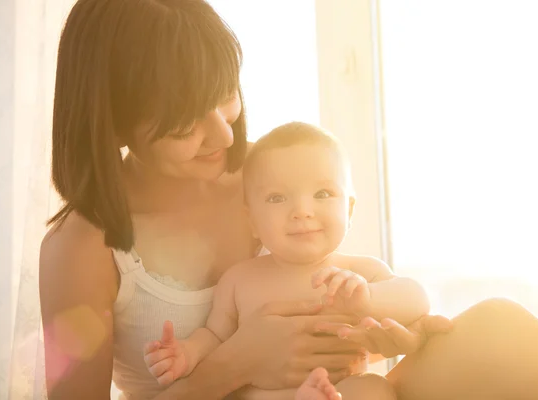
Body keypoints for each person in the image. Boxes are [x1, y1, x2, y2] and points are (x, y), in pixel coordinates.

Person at [39, 0, 538, 399]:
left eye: (224, 98)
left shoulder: (266, 177)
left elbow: (339, 288)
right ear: (113, 124)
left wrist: (390, 333)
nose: (224, 137)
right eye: (185, 124)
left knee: (497, 329)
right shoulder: (84, 247)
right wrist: (235, 364)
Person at [143, 122, 431, 400]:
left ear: (350, 210)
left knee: (371, 389)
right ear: (252, 221)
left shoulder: (359, 274)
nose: (302, 211)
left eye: (322, 194)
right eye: (277, 198)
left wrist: (368, 300)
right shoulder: (239, 279)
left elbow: (417, 299)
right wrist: (186, 353)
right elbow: (215, 337)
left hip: (340, 388)